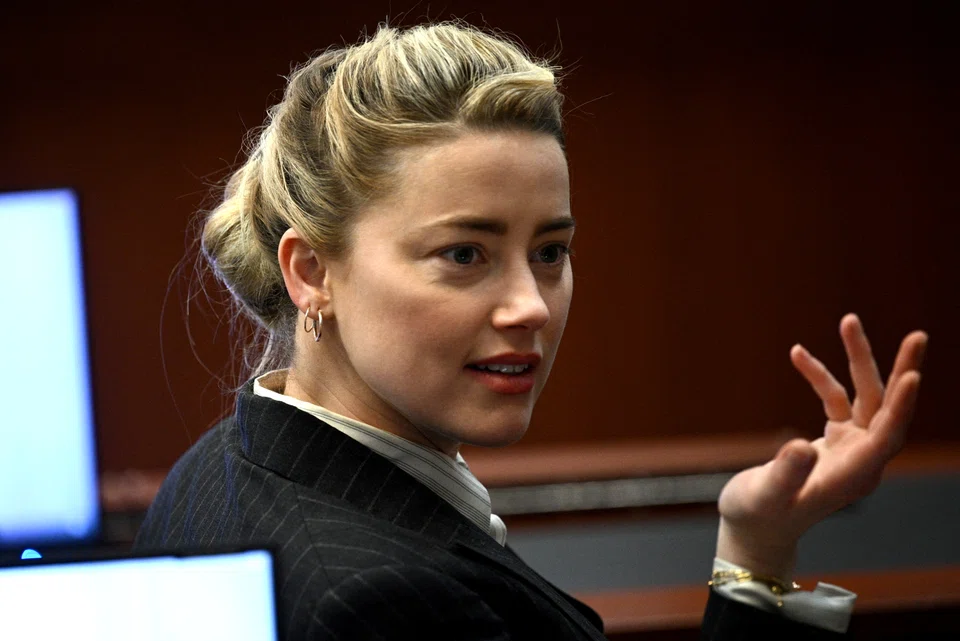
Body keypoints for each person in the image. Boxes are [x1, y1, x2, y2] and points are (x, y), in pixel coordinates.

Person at [134, 22, 928, 640]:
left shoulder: (219, 463)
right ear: (312, 272)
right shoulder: (389, 606)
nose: (531, 306)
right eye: (464, 254)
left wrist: (756, 548)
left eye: (550, 252)